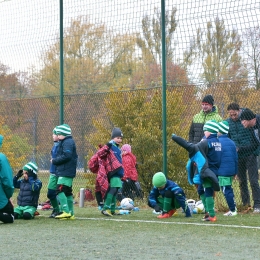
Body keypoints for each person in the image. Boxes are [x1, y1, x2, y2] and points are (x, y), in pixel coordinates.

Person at [172, 120, 221, 222]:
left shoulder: (207, 142)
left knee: (207, 191)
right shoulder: (218, 142)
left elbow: (195, 149)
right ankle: (208, 212)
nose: (204, 133)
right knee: (201, 190)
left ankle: (211, 214)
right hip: (213, 170)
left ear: (210, 131)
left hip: (207, 171)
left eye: (205, 130)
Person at [227, 104, 260, 213]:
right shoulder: (228, 123)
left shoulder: (249, 120)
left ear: (239, 111)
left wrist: (253, 152)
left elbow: (255, 142)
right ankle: (246, 204)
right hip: (239, 156)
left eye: (235, 114)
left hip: (250, 154)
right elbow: (228, 138)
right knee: (242, 181)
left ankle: (257, 204)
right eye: (231, 115)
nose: (233, 117)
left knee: (253, 180)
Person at [51, 124, 78, 220]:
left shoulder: (67, 142)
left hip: (66, 171)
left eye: (58, 134)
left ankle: (66, 211)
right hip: (67, 171)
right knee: (67, 192)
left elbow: (67, 155)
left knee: (59, 190)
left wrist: (55, 161)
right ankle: (71, 213)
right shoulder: (66, 142)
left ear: (63, 134)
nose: (57, 136)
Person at [239, 107, 260, 213]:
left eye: (242, 120)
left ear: (248, 119)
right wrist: (240, 149)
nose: (241, 123)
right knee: (251, 180)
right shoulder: (252, 128)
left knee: (253, 181)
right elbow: (255, 144)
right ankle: (256, 205)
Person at [100, 127, 124, 216]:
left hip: (118, 173)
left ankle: (112, 210)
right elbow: (102, 152)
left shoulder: (118, 148)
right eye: (117, 138)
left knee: (116, 190)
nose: (119, 140)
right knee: (113, 189)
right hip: (113, 172)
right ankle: (105, 208)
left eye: (120, 138)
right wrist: (109, 144)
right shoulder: (110, 146)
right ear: (113, 138)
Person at [217, 121, 238, 216]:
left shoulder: (218, 142)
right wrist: (235, 172)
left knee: (226, 190)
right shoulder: (232, 142)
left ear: (220, 131)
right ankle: (233, 208)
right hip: (230, 171)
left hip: (222, 171)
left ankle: (233, 210)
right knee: (229, 189)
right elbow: (235, 158)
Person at [0, 135, 15, 224]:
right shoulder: (1, 158)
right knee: (11, 217)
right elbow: (7, 182)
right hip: (1, 200)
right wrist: (8, 196)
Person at [47, 126, 61, 218]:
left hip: (59, 174)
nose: (53, 135)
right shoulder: (55, 145)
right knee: (50, 193)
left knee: (62, 193)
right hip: (53, 173)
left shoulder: (61, 146)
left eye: (54, 134)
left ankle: (65, 211)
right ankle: (56, 210)